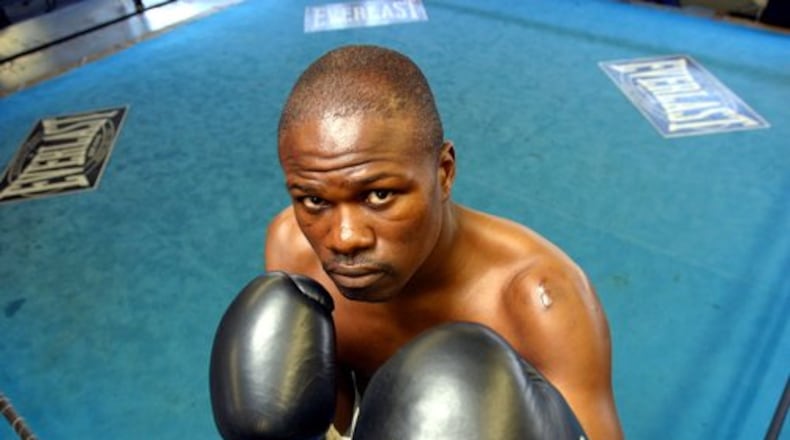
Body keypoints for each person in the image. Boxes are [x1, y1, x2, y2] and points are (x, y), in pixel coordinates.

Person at [210, 45, 623, 440]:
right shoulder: (293, 247)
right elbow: (324, 407)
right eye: (314, 200)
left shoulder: (539, 301)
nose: (344, 238)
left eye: (378, 195)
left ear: (443, 172)